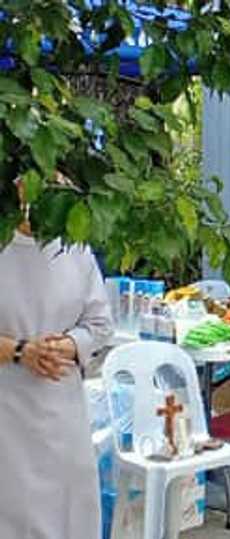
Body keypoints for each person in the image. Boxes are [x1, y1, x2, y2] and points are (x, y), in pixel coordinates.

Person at [0, 175, 113, 539]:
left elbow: (99, 323)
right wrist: (21, 351)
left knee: (71, 509)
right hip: (8, 407)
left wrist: (66, 345)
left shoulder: (74, 250)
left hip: (62, 406)